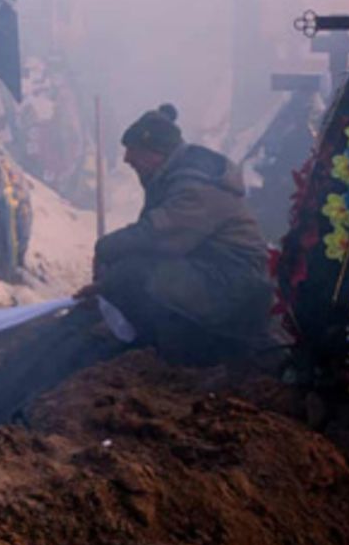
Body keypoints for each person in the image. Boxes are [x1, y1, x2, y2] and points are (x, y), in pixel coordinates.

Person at [91, 104, 275, 365]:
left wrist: (105, 248)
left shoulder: (196, 187)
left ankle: (177, 353)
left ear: (156, 153)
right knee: (131, 270)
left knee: (136, 274)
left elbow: (156, 236)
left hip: (234, 289)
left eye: (133, 151)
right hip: (217, 277)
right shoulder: (176, 175)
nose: (126, 159)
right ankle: (157, 345)